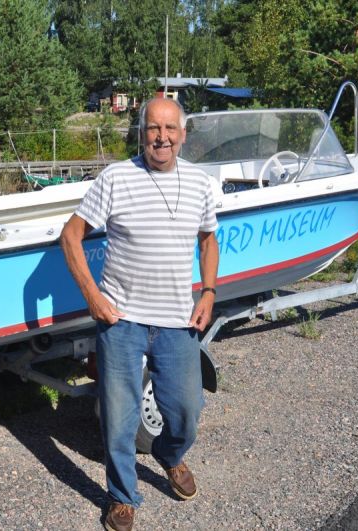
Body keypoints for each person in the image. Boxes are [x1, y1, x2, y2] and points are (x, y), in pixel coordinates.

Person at [60, 97, 219, 531]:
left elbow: (208, 240)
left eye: (170, 129)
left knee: (187, 408)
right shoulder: (116, 178)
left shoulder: (200, 184)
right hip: (121, 320)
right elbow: (70, 237)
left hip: (176, 319)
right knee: (119, 415)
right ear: (141, 132)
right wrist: (93, 297)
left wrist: (208, 291)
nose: (161, 137)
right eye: (153, 128)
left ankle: (170, 455)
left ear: (183, 134)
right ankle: (122, 496)